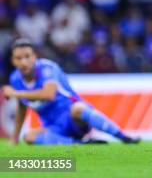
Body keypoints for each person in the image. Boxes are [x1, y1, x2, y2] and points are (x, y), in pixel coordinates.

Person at [2, 38, 139, 145]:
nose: (24, 62)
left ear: (35, 56)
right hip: (54, 128)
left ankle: (124, 137)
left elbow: (48, 94)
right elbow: (22, 107)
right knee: (29, 137)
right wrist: (15, 137)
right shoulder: (15, 78)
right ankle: (80, 144)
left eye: (27, 56)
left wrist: (15, 93)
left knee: (78, 108)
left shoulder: (47, 68)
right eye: (19, 58)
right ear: (13, 61)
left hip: (73, 118)